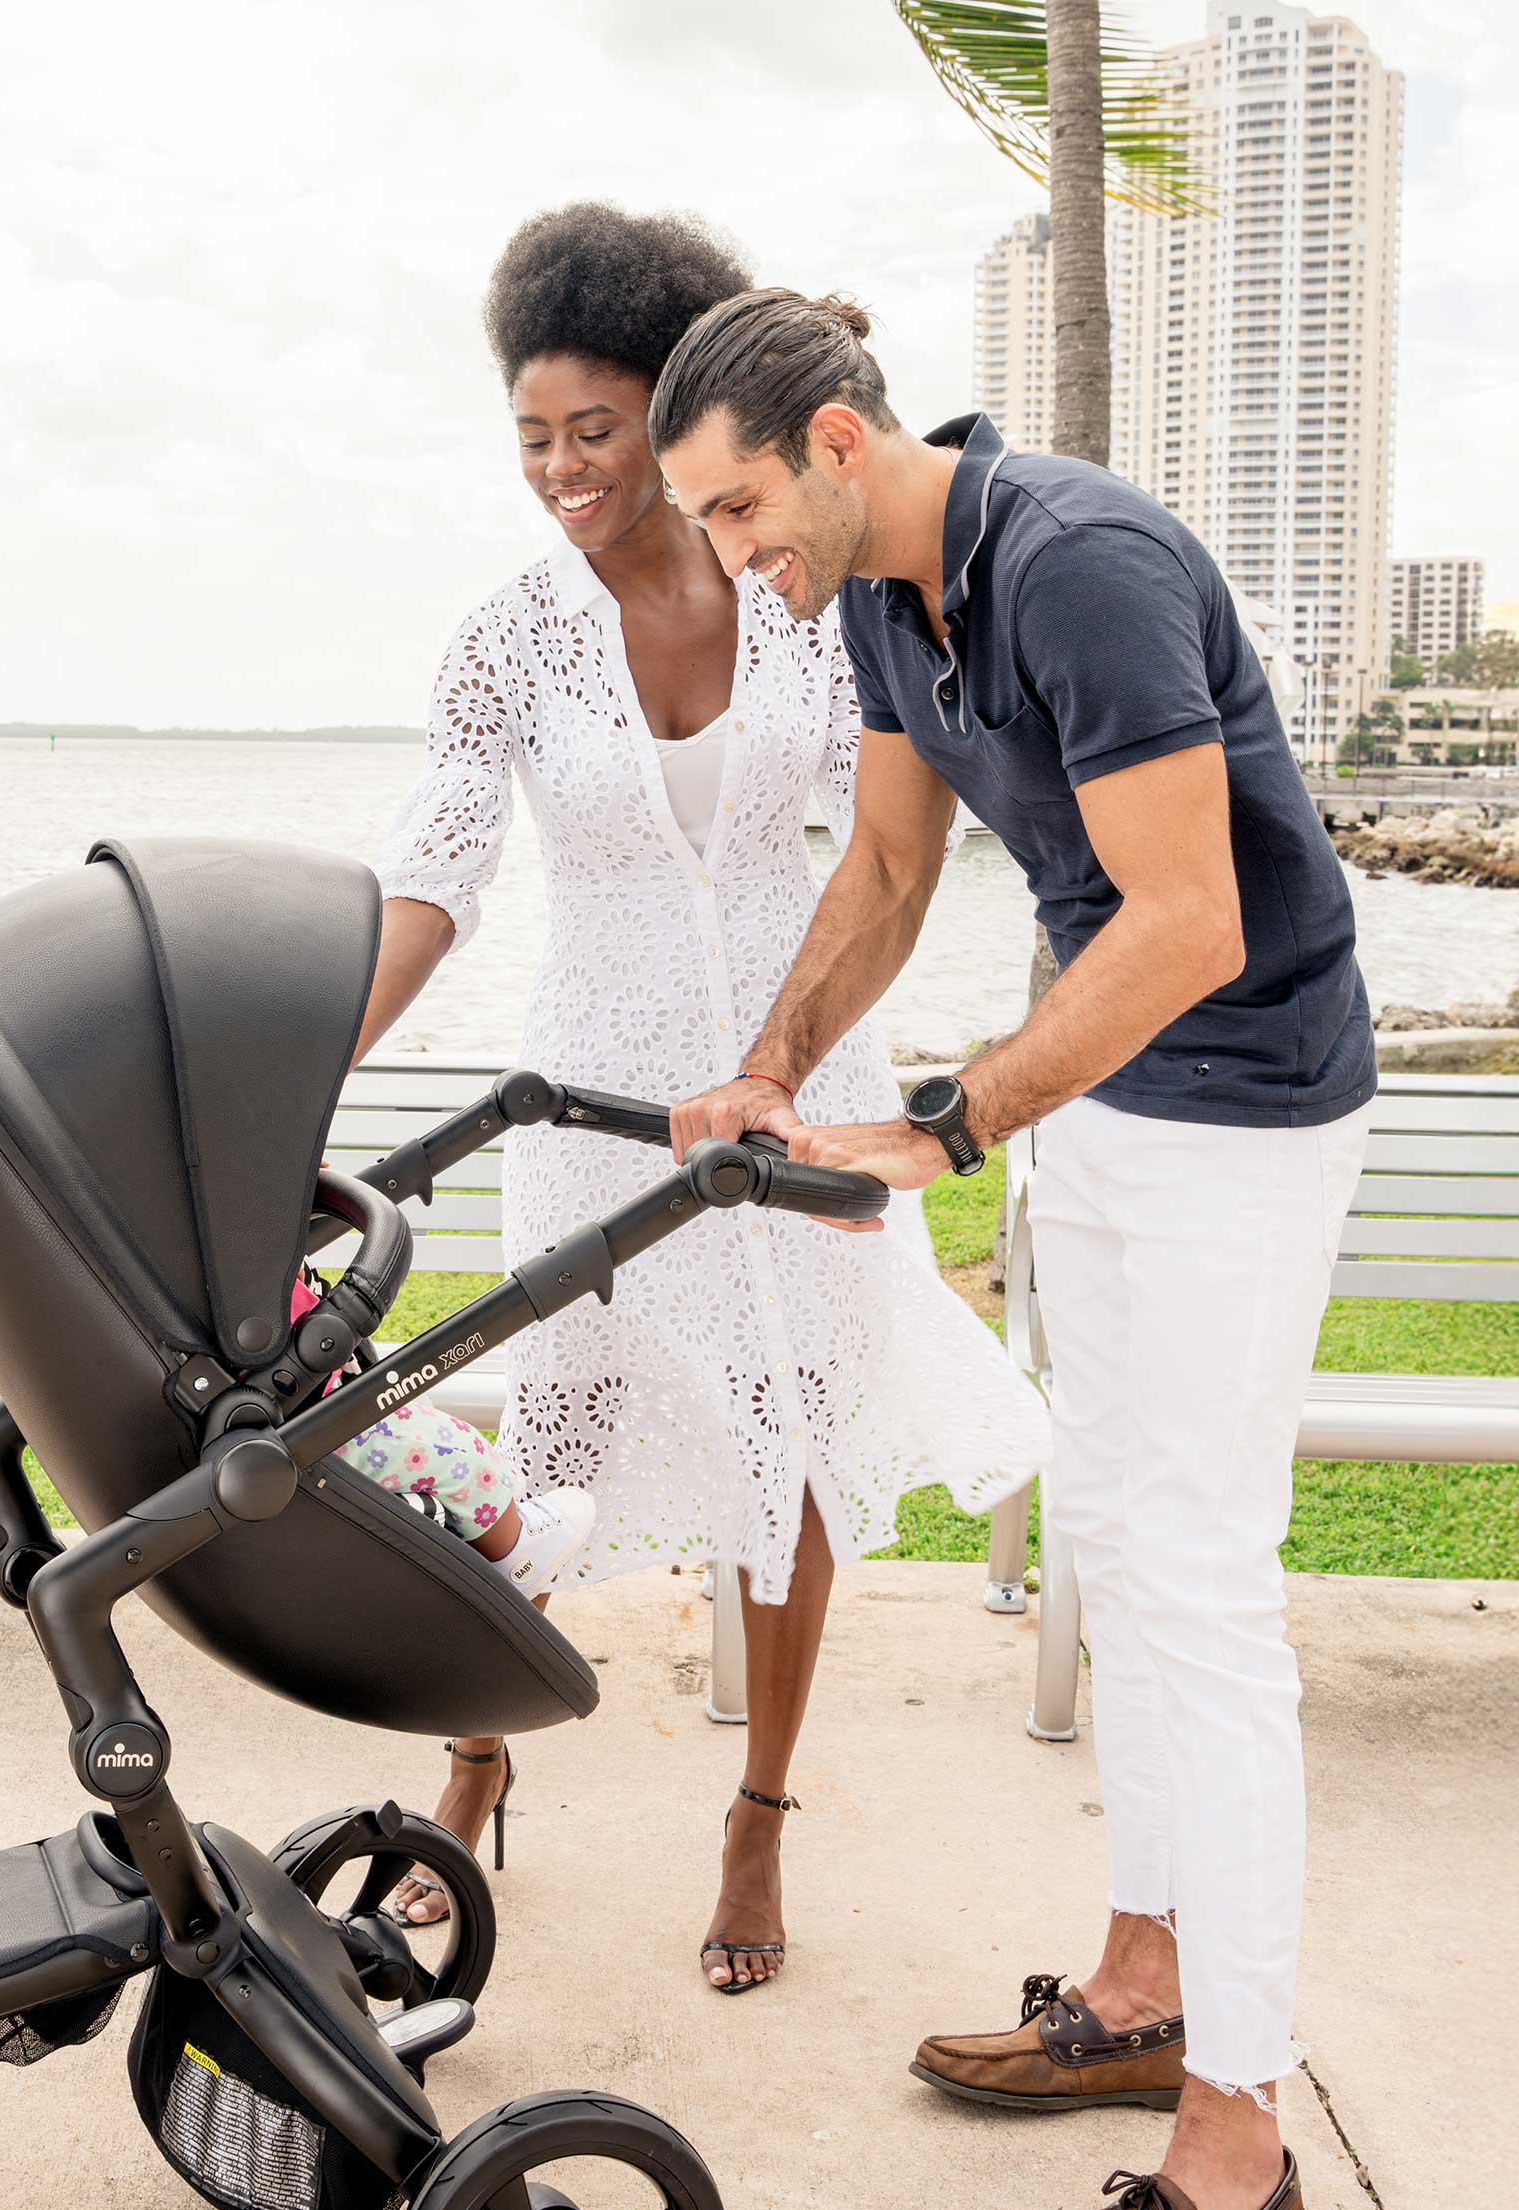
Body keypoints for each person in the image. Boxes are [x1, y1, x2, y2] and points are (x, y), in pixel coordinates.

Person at [649, 287, 1376, 2210]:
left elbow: (1190, 917)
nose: (730, 559)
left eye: (736, 510)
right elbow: (887, 870)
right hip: (1116, 1102)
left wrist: (949, 1120)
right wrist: (770, 1058)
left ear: (836, 439)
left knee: (1201, 1594)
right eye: (703, 528)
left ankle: (1237, 2145)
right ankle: (1146, 1985)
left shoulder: (1078, 565)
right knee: (1112, 1551)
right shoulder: (892, 602)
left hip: (1246, 1109)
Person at [358, 208, 1045, 1990]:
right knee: (546, 1445)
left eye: (593, 429)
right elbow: (436, 870)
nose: (562, 470)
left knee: (788, 1440)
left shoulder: (809, 597)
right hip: (588, 1094)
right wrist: (320, 1041)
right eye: (531, 437)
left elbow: (895, 843)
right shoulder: (505, 642)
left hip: (795, 1075)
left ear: (670, 411)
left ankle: (757, 1816)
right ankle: (475, 1762)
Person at [301, 1270, 595, 1593]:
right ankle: (516, 1556)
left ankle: (501, 1507)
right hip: (322, 1431)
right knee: (458, 1457)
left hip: (316, 1402)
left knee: (424, 1423)